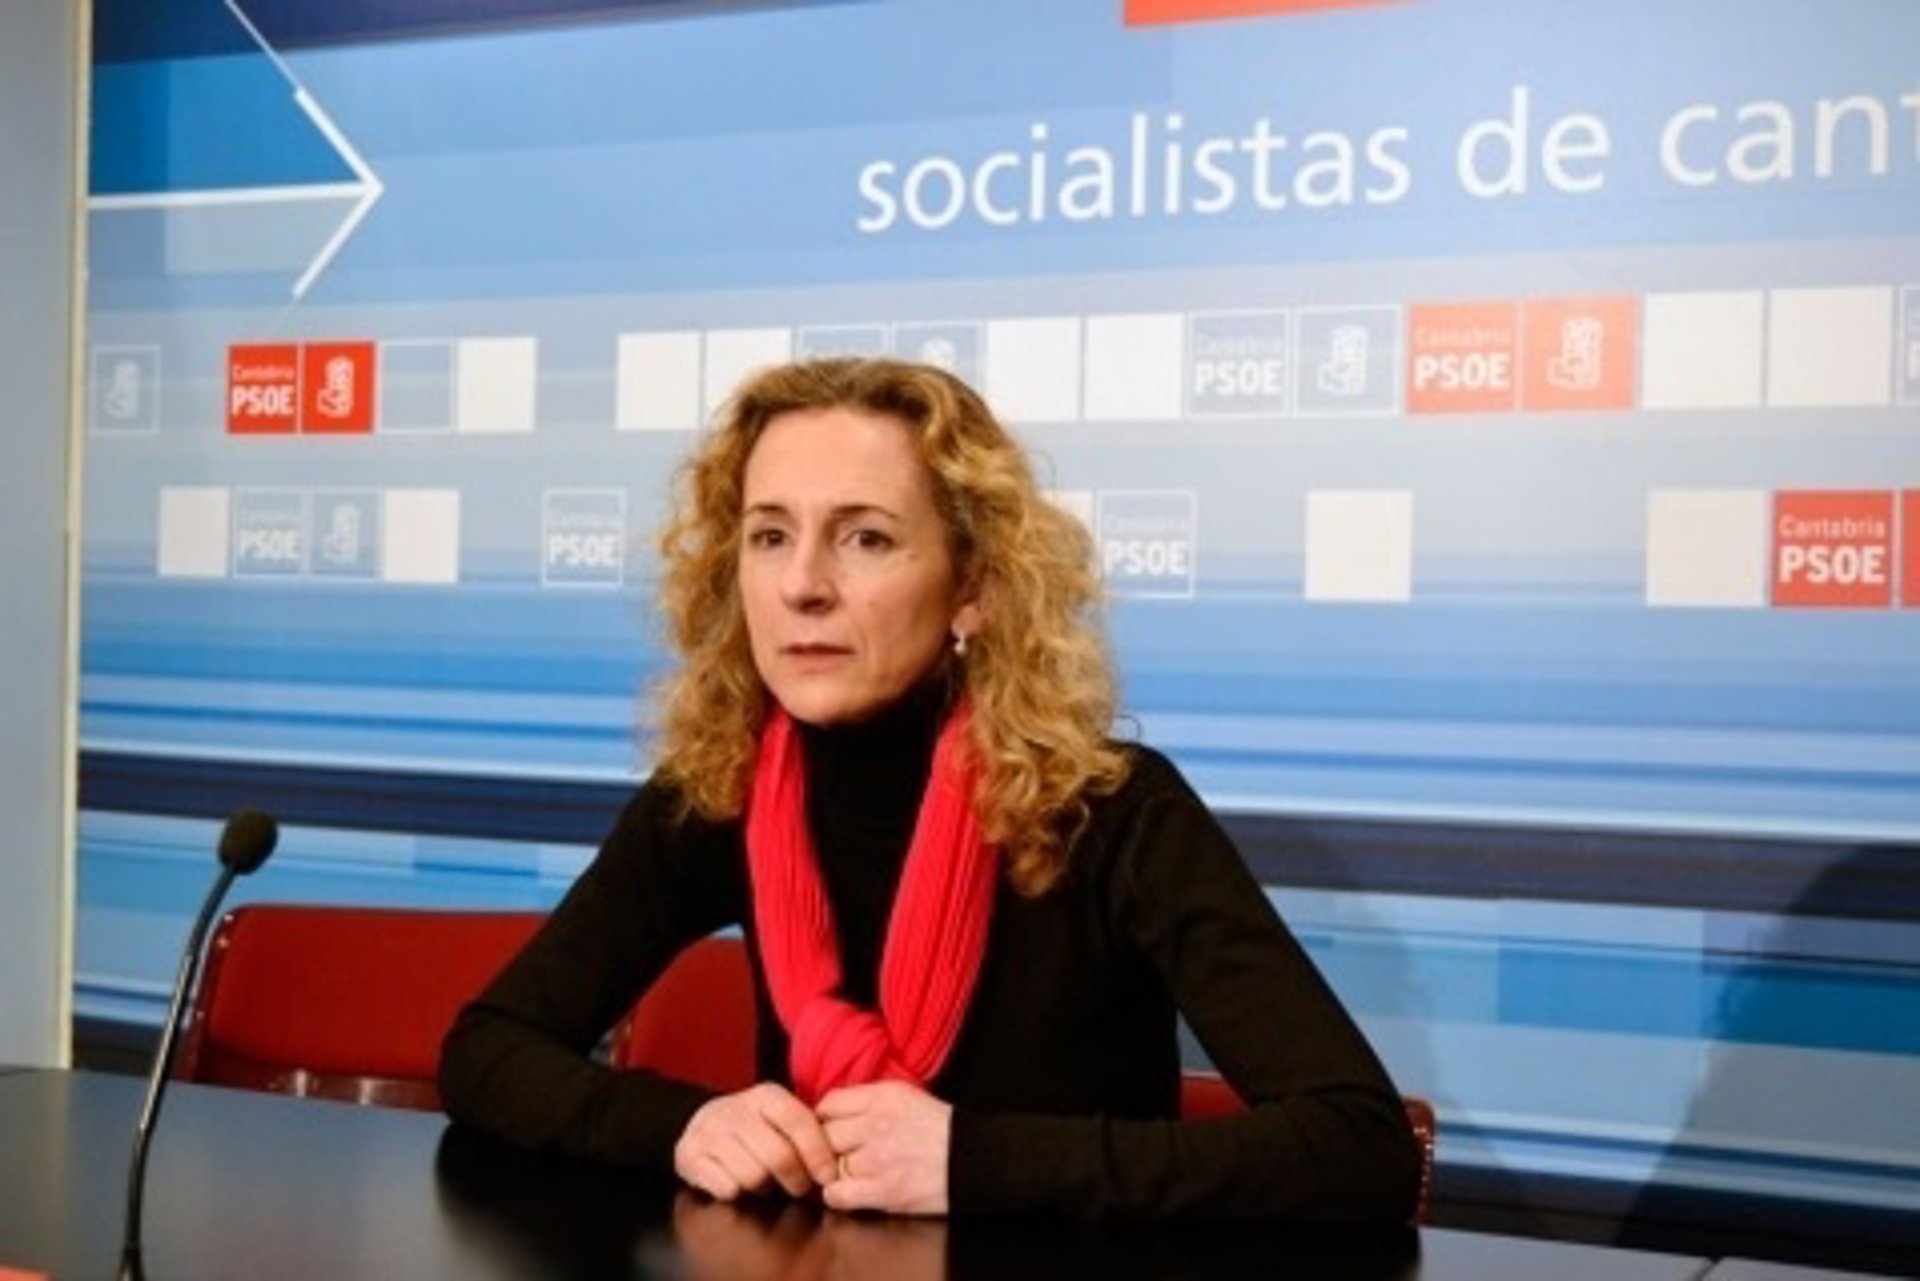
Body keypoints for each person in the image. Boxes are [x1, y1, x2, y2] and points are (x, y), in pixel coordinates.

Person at [439, 357, 1420, 1220]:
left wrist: (971, 1160)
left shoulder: (1110, 807)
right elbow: (487, 1049)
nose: (802, 585)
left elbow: (1358, 1145)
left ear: (973, 587)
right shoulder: (715, 788)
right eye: (769, 536)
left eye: (865, 538)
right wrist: (683, 1126)